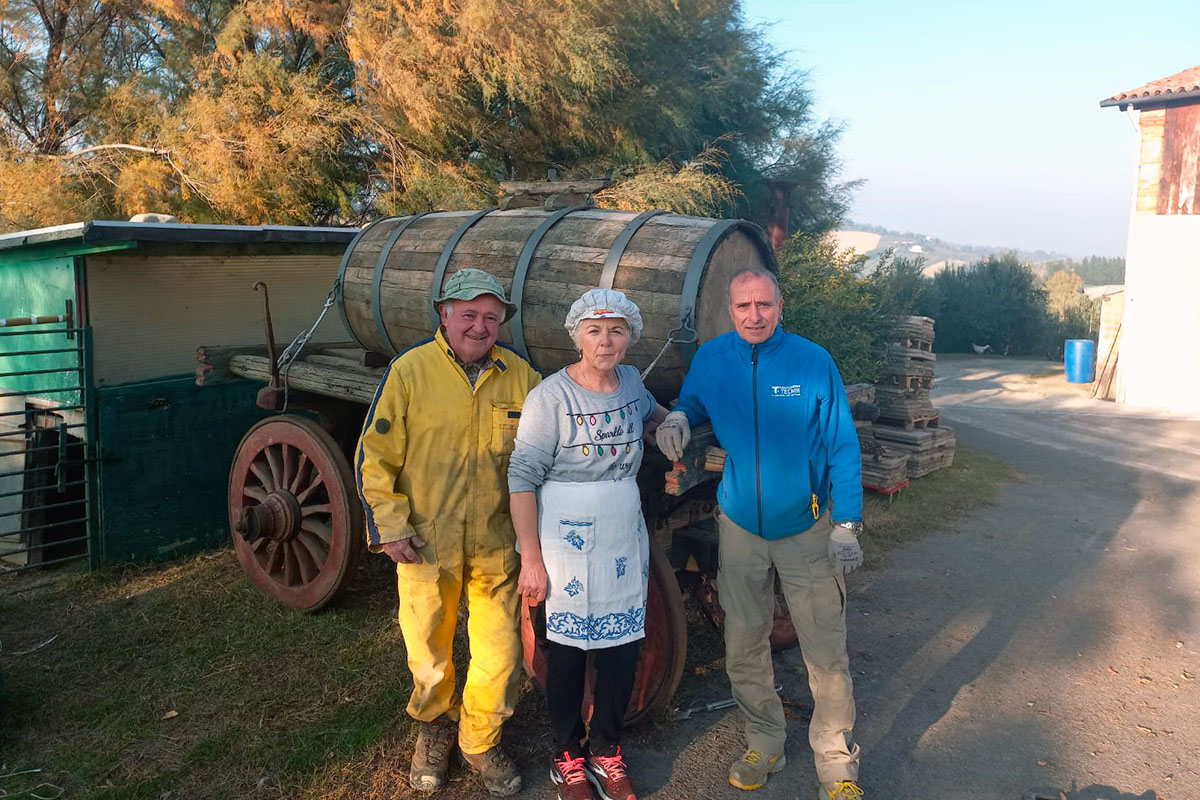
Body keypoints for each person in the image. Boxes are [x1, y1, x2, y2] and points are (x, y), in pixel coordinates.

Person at [655, 267, 866, 800]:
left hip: (807, 527)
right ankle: (764, 740)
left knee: (825, 648)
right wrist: (679, 415)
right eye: (744, 306)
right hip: (740, 527)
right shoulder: (713, 358)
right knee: (743, 641)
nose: (754, 316)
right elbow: (694, 400)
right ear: (731, 310)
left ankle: (836, 763)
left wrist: (847, 523)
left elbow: (842, 443)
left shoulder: (812, 362)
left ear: (779, 306)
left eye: (764, 305)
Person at [356, 268, 541, 796]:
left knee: (500, 650)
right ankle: (435, 726)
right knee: (428, 647)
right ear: (444, 315)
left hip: (495, 545)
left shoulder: (522, 378)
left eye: (490, 316)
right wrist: (390, 526)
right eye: (468, 315)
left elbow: (549, 448)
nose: (479, 326)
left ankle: (480, 739)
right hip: (424, 544)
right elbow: (375, 458)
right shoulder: (410, 372)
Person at [508, 288, 669, 800]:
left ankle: (607, 751)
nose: (606, 340)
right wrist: (530, 559)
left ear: (630, 338)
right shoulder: (550, 397)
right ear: (577, 335)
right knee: (568, 652)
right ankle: (567, 758)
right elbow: (521, 479)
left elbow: (653, 414)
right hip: (565, 537)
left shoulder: (631, 382)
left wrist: (674, 423)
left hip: (622, 535)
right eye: (595, 330)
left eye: (617, 330)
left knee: (623, 648)